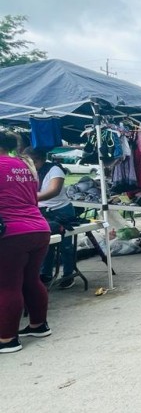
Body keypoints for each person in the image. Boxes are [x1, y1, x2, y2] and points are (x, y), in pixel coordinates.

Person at [0, 132, 52, 354]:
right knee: (31, 280)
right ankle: (38, 325)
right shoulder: (24, 165)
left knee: (8, 285)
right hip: (39, 228)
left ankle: (7, 339)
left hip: (12, 232)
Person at [24, 147, 79, 288]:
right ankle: (46, 274)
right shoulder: (28, 171)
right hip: (42, 211)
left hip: (62, 211)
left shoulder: (55, 170)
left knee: (65, 246)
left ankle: (68, 274)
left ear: (39, 160)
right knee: (45, 244)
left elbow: (53, 191)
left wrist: (28, 197)